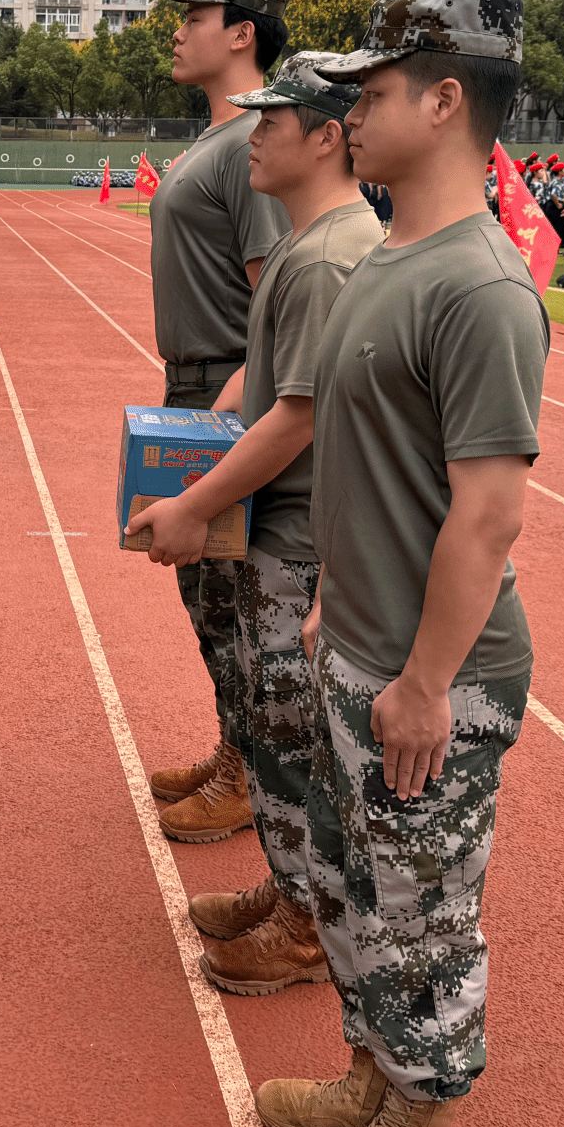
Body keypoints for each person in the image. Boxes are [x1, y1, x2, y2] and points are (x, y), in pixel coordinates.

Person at [255, 0, 546, 1127]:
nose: (352, 111)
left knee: (423, 914)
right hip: (359, 639)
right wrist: (335, 602)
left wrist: (425, 680)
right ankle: (372, 1076)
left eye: (373, 93)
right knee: (360, 882)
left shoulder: (476, 287)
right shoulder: (391, 255)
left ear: (443, 101)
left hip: (437, 675)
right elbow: (370, 466)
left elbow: (487, 514)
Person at [125, 54, 383, 999]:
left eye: (275, 121)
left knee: (287, 736)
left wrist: (193, 503)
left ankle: (304, 924)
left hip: (300, 533)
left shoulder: (322, 257)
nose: (255, 135)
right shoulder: (319, 245)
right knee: (275, 729)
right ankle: (289, 895)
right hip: (289, 522)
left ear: (325, 138)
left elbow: (296, 415)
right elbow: (273, 392)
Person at [143, 0, 295, 844]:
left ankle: (247, 774)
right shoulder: (218, 137)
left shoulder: (250, 144)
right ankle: (233, 747)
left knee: (229, 590)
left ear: (241, 32)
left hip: (230, 384)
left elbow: (275, 298)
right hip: (199, 379)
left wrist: (220, 416)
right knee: (206, 589)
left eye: (195, 16)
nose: (178, 28)